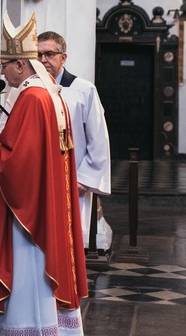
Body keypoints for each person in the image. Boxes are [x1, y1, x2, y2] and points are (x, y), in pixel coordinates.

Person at [0, 11, 87, 335]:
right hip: (45, 199)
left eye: (4, 64)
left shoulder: (32, 96)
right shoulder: (48, 93)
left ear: (20, 65)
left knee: (30, 277)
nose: (2, 71)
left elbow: (16, 162)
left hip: (30, 213)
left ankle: (33, 328)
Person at [37, 31, 112, 252]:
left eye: (49, 54)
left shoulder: (83, 89)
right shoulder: (30, 89)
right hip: (39, 178)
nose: (43, 60)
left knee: (70, 242)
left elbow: (98, 137)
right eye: (38, 55)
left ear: (63, 57)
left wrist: (86, 177)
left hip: (74, 179)